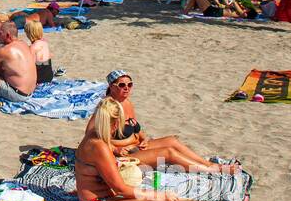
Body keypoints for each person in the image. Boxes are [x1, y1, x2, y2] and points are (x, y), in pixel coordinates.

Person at [74, 97, 243, 201]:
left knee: (169, 199)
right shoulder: (98, 146)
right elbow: (121, 189)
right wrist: (158, 195)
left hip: (107, 196)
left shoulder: (96, 138)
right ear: (113, 123)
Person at [101, 70, 240, 174]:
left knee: (172, 140)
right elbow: (97, 140)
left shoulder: (127, 103)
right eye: (122, 85)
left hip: (136, 146)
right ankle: (213, 170)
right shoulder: (107, 109)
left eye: (130, 84)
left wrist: (143, 139)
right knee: (168, 152)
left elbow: (135, 128)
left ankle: (208, 164)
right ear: (112, 87)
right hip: (123, 156)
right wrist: (117, 148)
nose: (127, 88)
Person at [24, 17, 53, 84]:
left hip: (40, 78)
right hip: (49, 75)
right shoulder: (44, 42)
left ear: (29, 34)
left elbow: (30, 65)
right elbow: (49, 55)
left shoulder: (33, 47)